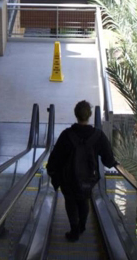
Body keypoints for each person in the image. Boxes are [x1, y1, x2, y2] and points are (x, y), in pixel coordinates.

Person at [47, 101, 117, 242]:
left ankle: (74, 231)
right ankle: (82, 226)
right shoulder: (98, 135)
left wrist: (52, 172)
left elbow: (55, 157)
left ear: (76, 115)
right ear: (90, 115)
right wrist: (115, 163)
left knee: (70, 202)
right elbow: (108, 160)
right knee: (84, 200)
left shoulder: (66, 135)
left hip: (69, 179)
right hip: (88, 179)